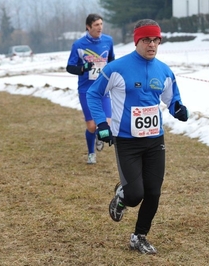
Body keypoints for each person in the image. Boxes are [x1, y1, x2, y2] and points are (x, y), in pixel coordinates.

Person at [87, 19, 189, 254]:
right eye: (146, 40)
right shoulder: (116, 68)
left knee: (153, 192)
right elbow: (94, 94)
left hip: (155, 141)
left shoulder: (164, 70)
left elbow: (171, 99)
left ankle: (139, 236)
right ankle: (122, 197)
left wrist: (178, 109)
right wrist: (103, 124)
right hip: (127, 142)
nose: (152, 44)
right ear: (137, 41)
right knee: (135, 195)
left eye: (156, 40)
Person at [66, 13, 115, 164]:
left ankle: (101, 136)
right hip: (86, 90)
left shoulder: (108, 41)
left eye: (101, 24)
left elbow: (112, 60)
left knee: (106, 123)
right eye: (96, 25)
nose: (100, 27)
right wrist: (82, 68)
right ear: (88, 27)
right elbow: (69, 67)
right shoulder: (79, 45)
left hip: (103, 88)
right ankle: (91, 153)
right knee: (92, 125)